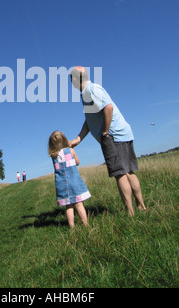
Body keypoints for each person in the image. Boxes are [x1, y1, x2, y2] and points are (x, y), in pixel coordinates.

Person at [69, 66, 146, 217]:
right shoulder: (86, 93)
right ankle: (141, 207)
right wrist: (79, 139)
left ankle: (130, 213)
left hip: (113, 136)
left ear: (75, 79)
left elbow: (108, 108)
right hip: (121, 134)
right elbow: (89, 120)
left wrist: (105, 132)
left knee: (120, 174)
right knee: (128, 171)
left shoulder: (90, 90)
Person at [48, 130, 91, 228]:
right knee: (79, 204)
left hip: (62, 184)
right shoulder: (70, 151)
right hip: (74, 182)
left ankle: (72, 227)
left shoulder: (53, 156)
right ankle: (86, 225)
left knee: (69, 206)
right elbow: (77, 162)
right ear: (64, 139)